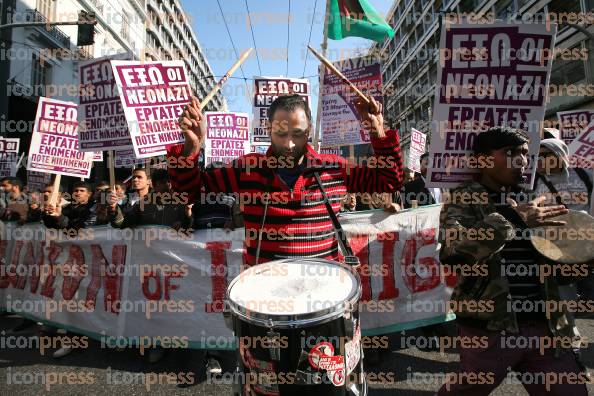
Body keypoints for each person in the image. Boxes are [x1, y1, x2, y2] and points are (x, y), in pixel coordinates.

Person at [169, 94, 404, 266]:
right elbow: (189, 192)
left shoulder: (334, 168)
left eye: (298, 133)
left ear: (310, 130)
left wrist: (378, 133)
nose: (289, 144)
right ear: (268, 128)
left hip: (324, 299)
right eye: (281, 134)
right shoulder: (247, 169)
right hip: (264, 303)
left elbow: (389, 181)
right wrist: (192, 147)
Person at [437, 127, 587, 395]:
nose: (522, 161)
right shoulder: (464, 197)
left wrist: (580, 260)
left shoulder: (530, 197)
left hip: (545, 326)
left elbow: (550, 263)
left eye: (524, 154)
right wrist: (513, 220)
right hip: (490, 331)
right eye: (510, 153)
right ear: (481, 160)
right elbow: (455, 254)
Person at [112, 168, 191, 230]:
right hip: (149, 249)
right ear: (154, 184)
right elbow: (121, 224)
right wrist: (113, 210)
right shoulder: (141, 205)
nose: (168, 185)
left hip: (174, 249)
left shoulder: (182, 203)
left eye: (170, 182)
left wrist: (185, 219)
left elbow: (191, 227)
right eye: (163, 182)